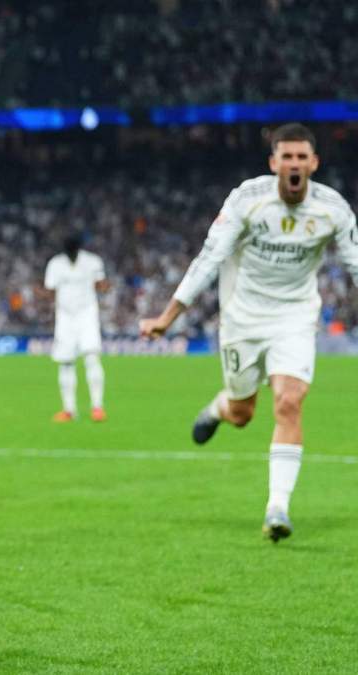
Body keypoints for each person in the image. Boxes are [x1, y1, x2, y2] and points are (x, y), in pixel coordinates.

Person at [140, 123, 358, 542]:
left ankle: (277, 507)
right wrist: (168, 316)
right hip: (242, 318)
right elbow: (209, 258)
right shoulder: (247, 200)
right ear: (273, 162)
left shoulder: (334, 209)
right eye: (286, 157)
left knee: (289, 402)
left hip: (295, 317)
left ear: (314, 163)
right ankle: (220, 407)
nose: (294, 164)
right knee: (243, 413)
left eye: (301, 157)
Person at [42, 233, 108, 422]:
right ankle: (69, 410)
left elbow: (101, 284)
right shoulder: (55, 264)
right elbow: (50, 289)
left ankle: (97, 407)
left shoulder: (93, 262)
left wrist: (104, 286)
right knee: (66, 362)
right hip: (65, 317)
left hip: (87, 315)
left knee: (91, 358)